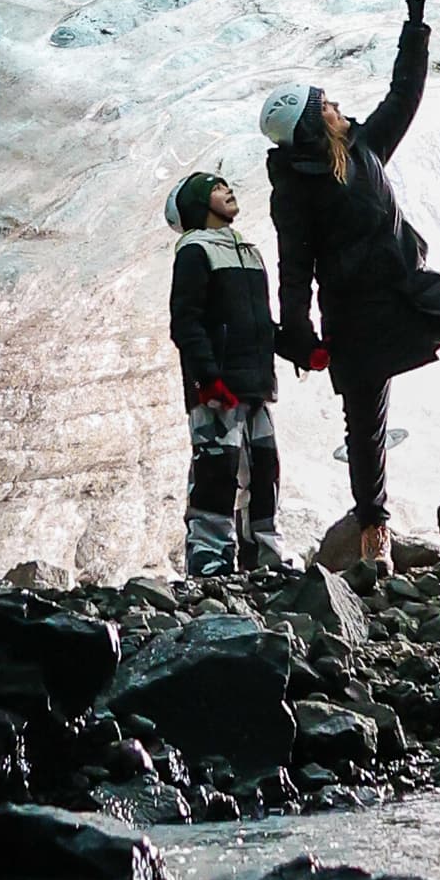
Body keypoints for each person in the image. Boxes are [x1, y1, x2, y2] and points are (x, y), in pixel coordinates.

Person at [260, 0, 440, 574]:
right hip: (355, 317)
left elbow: (402, 97)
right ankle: (374, 529)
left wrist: (415, 31)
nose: (333, 105)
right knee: (365, 429)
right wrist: (300, 335)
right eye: (322, 103)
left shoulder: (364, 147)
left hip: (409, 288)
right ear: (308, 122)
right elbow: (295, 268)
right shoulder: (297, 194)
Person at [164, 166, 281, 577]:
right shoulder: (194, 250)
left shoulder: (248, 251)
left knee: (264, 469)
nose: (227, 189)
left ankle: (263, 556)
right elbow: (186, 321)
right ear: (197, 204)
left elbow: (261, 322)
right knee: (216, 469)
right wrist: (207, 378)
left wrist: (301, 348)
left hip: (255, 385)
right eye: (215, 188)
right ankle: (209, 558)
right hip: (217, 387)